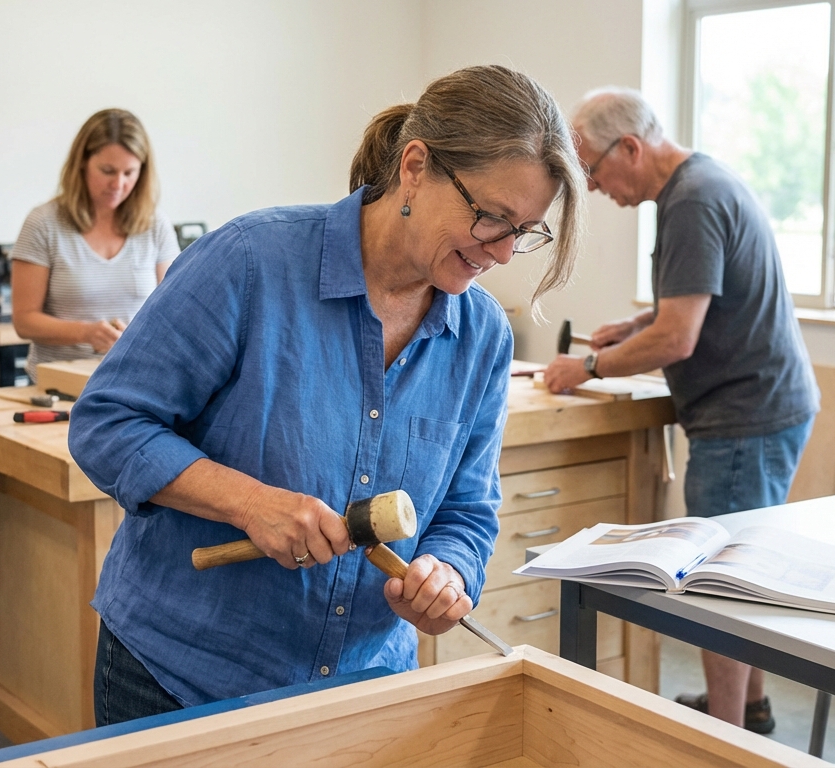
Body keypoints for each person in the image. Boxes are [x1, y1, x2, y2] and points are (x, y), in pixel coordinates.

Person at [69, 65, 585, 722]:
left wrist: (449, 572)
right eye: (491, 217)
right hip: (185, 679)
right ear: (416, 167)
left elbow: (466, 508)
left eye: (526, 231)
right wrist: (250, 504)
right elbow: (107, 424)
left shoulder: (482, 335)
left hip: (360, 695)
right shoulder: (251, 262)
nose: (505, 254)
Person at [543, 86, 819, 734]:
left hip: (743, 417)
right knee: (742, 572)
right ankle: (748, 709)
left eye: (594, 169)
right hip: (769, 406)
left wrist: (584, 366)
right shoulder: (702, 182)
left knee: (718, 584)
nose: (595, 186)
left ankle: (722, 736)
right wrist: (636, 324)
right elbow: (696, 304)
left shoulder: (692, 201)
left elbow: (679, 339)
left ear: (631, 147)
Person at [10, 108, 179, 381]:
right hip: (59, 385)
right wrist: (86, 333)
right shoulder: (43, 224)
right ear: (82, 163)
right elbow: (24, 320)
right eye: (107, 171)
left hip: (134, 381)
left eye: (130, 173)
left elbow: (173, 314)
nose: (118, 184)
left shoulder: (155, 225)